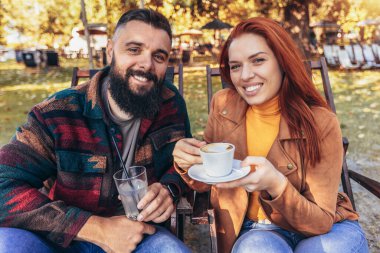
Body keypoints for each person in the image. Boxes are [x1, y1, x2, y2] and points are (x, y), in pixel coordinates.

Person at [0, 9, 191, 253]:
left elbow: (184, 163)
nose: (146, 64)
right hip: (66, 237)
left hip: (142, 236)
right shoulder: (57, 114)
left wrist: (169, 189)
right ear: (110, 50)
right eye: (134, 50)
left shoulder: (170, 103)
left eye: (159, 56)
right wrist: (98, 229)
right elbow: (3, 183)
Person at [173, 17, 368, 253]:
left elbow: (320, 222)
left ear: (282, 62)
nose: (245, 76)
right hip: (257, 230)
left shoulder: (321, 122)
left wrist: (277, 185)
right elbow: (209, 178)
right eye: (235, 66)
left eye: (258, 60)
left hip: (323, 226)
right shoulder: (223, 105)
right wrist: (186, 162)